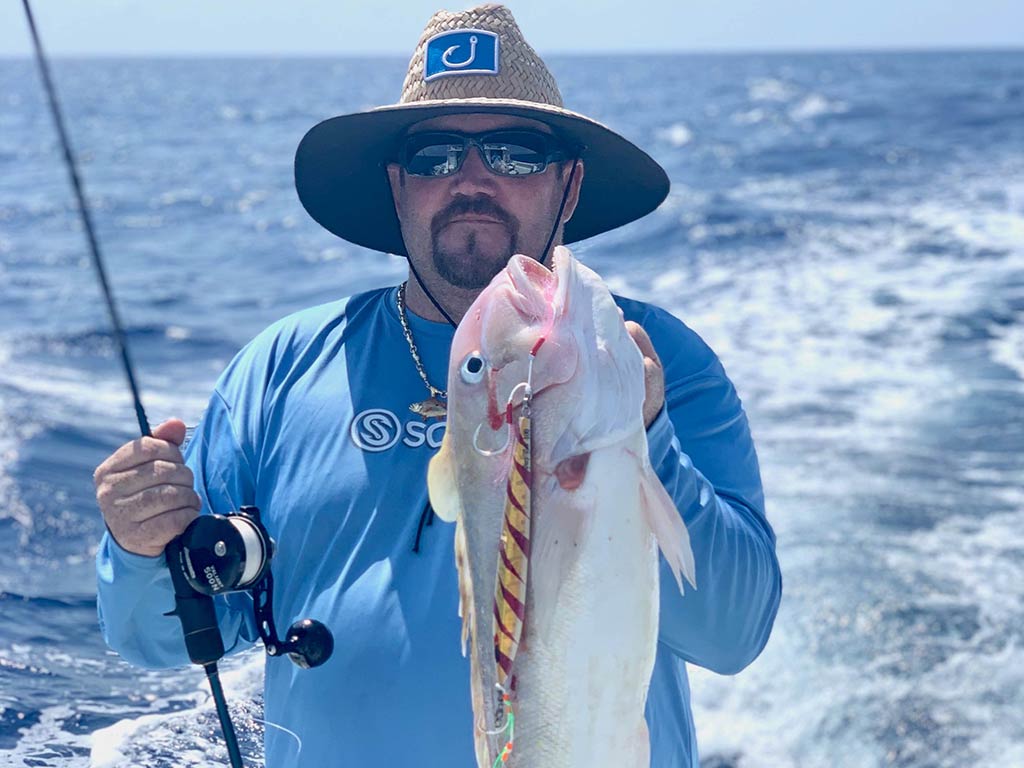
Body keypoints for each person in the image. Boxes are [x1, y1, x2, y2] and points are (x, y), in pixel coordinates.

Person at [93, 5, 782, 766]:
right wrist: (137, 542)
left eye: (516, 152)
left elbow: (734, 633)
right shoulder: (280, 369)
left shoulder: (659, 364)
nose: (473, 177)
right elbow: (157, 636)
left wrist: (643, 438)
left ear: (571, 184)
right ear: (398, 186)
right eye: (434, 154)